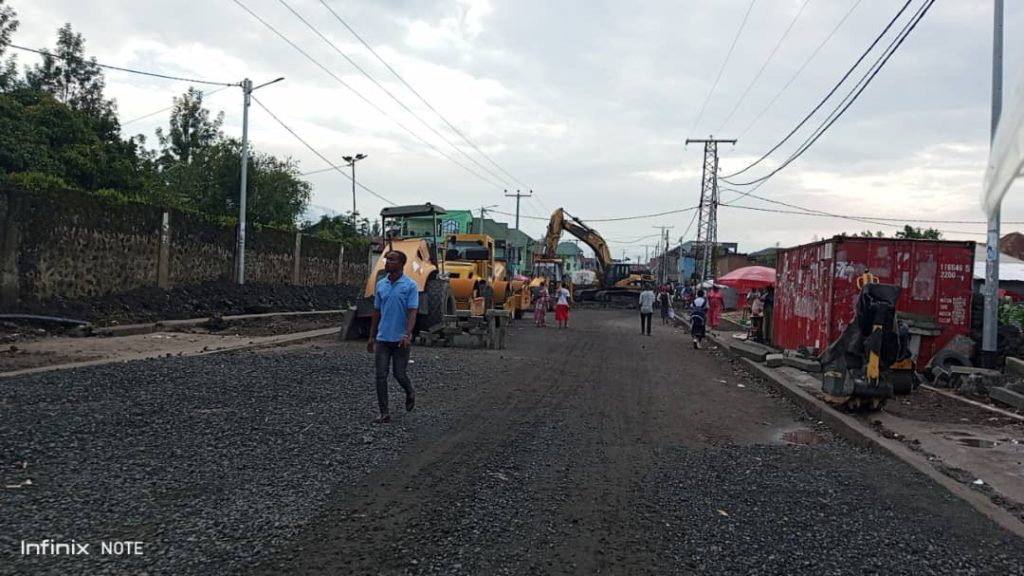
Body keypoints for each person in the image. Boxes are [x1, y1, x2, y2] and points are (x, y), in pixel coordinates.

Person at [367, 250, 419, 424]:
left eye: (392, 260)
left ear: (401, 264)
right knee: (380, 375)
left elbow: (412, 312)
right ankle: (384, 412)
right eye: (387, 259)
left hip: (400, 340)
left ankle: (409, 391)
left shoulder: (410, 286)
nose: (387, 262)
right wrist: (372, 336)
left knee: (399, 374)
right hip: (383, 338)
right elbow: (376, 312)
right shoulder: (381, 285)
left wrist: (407, 334)